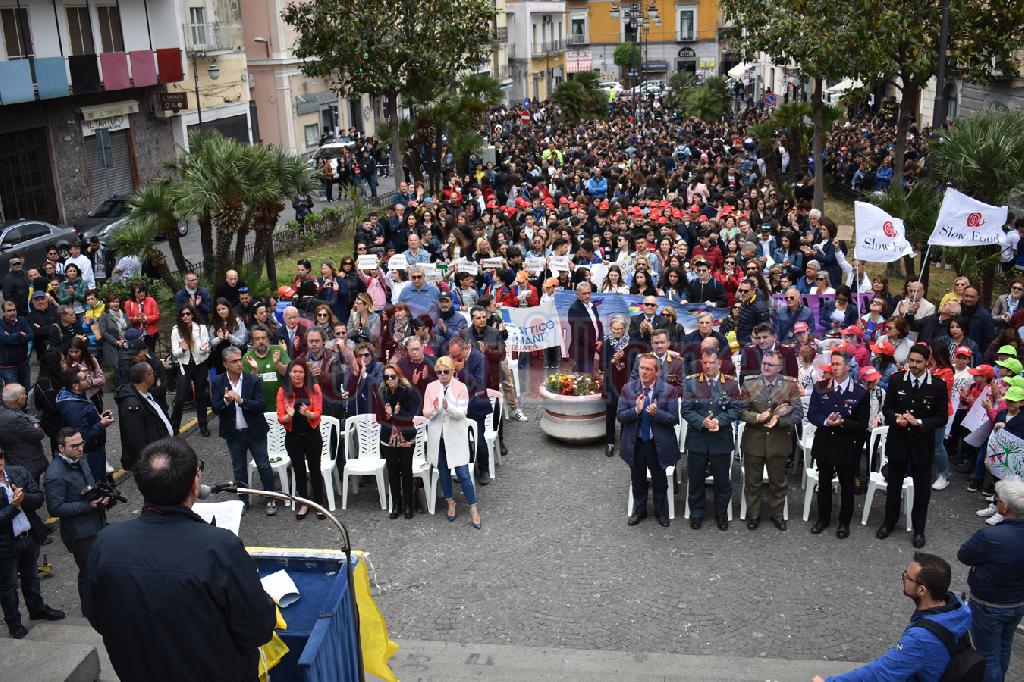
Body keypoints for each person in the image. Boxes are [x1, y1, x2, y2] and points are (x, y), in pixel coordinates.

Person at [83, 437, 277, 681]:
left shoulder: (106, 542)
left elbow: (96, 614)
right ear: (195, 484)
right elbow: (258, 628)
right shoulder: (219, 547)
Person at [814, 554, 973, 682]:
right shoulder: (956, 609)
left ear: (922, 590)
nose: (903, 577)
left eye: (907, 577)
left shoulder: (921, 639)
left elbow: (880, 674)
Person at [877, 343, 949, 548]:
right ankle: (888, 522)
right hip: (899, 441)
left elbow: (941, 417)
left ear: (928, 362)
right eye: (912, 361)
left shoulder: (937, 385)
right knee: (893, 486)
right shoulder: (897, 380)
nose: (914, 365)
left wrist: (919, 422)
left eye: (919, 362)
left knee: (922, 489)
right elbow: (887, 408)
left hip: (921, 444)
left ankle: (919, 529)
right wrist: (896, 418)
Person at [957, 476, 1024, 682]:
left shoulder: (990, 536)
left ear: (1004, 507)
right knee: (1004, 647)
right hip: (1018, 601)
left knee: (988, 656)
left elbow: (964, 555)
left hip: (989, 604)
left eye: (998, 500)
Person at [0, 444, 65, 639]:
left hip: (28, 536)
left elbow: (38, 499)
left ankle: (37, 609)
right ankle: (14, 623)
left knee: (31, 577)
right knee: (8, 586)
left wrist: (24, 497)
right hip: (5, 545)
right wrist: (13, 506)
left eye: (0, 455)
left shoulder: (17, 473)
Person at [806, 349, 869, 539]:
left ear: (848, 366)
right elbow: (812, 414)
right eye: (832, 364)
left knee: (846, 486)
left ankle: (844, 522)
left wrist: (843, 423)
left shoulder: (860, 392)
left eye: (838, 364)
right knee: (824, 484)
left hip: (847, 444)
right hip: (825, 442)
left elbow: (861, 424)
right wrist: (825, 421)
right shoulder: (821, 386)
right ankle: (823, 518)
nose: (834, 367)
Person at [43, 428, 109, 607]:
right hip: (79, 534)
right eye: (74, 446)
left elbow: (89, 485)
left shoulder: (80, 459)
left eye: (81, 444)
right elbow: (55, 508)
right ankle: (90, 608)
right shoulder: (54, 475)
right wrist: (88, 506)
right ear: (61, 448)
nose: (80, 448)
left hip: (97, 524)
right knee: (88, 572)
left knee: (100, 568)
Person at [739, 350, 803, 531]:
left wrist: (780, 421)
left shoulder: (790, 386)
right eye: (764, 363)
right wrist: (756, 417)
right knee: (753, 482)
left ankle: (777, 515)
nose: (766, 367)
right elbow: (741, 411)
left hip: (779, 440)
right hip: (754, 440)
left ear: (779, 367)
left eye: (770, 364)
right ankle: (753, 515)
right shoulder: (750, 384)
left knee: (778, 483)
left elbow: (798, 413)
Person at [211, 346, 278, 515]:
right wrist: (226, 401)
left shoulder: (252, 380)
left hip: (255, 431)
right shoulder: (218, 382)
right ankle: (243, 500)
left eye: (240, 360)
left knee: (263, 465)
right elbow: (215, 408)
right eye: (234, 361)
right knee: (239, 468)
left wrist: (241, 401)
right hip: (234, 434)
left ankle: (270, 498)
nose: (239, 363)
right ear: (225, 364)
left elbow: (261, 405)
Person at [681, 350, 741, 530]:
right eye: (705, 363)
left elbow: (736, 409)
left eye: (712, 363)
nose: (708, 366)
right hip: (698, 439)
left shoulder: (730, 384)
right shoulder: (692, 383)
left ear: (720, 363)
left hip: (720, 440)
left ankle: (721, 513)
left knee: (722, 482)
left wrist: (718, 421)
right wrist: (702, 422)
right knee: (696, 480)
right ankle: (697, 513)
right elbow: (686, 410)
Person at [618, 353, 680, 528]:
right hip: (636, 443)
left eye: (648, 369)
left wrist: (656, 414)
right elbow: (620, 416)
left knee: (660, 481)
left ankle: (661, 513)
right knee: (637, 480)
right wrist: (636, 410)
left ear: (657, 372)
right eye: (641, 368)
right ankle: (639, 511)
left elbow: (674, 419)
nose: (643, 372)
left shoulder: (669, 391)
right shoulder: (628, 389)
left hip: (657, 444)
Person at [423, 356, 481, 528]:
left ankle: (473, 507)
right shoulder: (431, 387)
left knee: (463, 473)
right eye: (439, 372)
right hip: (437, 436)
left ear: (453, 371)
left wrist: (448, 407)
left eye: (445, 372)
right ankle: (450, 501)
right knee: (443, 471)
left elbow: (463, 413)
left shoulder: (460, 387)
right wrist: (434, 409)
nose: (442, 375)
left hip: (455, 437)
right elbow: (426, 412)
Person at [276, 360, 327, 520]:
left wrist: (308, 414)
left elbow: (318, 413)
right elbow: (280, 418)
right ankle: (304, 503)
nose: (297, 375)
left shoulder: (314, 389)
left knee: (315, 470)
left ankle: (319, 503)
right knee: (298, 471)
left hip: (312, 436)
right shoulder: (283, 391)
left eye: (300, 372)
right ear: (289, 373)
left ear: (305, 374)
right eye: (294, 372)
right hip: (293, 437)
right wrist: (288, 415)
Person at [373, 363, 420, 520]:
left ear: (398, 376)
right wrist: (388, 415)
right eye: (386, 377)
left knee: (406, 471)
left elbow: (412, 414)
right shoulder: (381, 392)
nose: (390, 379)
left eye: (392, 376)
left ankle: (408, 504)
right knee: (392, 472)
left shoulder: (408, 392)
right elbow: (379, 417)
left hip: (406, 436)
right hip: (388, 437)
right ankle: (396, 504)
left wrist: (396, 414)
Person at [56, 369, 114, 482]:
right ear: (75, 386)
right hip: (90, 452)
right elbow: (83, 436)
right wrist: (101, 424)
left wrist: (99, 418)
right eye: (85, 378)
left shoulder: (77, 397)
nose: (89, 379)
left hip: (96, 448)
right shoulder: (73, 408)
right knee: (96, 483)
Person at [114, 362, 173, 472]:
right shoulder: (131, 405)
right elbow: (136, 438)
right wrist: (151, 463)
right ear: (147, 377)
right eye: (153, 373)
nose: (154, 376)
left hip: (162, 452)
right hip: (153, 461)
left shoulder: (146, 394)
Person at [169, 305, 211, 437]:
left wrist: (203, 349)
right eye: (183, 314)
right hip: (185, 366)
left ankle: (203, 425)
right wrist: (183, 349)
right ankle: (174, 428)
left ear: (192, 315)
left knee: (201, 396)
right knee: (180, 398)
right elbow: (175, 353)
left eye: (188, 314)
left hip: (200, 365)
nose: (185, 316)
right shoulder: (176, 330)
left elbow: (207, 348)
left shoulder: (201, 328)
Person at [0, 385, 48, 482]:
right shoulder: (16, 419)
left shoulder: (3, 410)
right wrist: (34, 424)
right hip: (26, 462)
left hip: (13, 459)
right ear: (18, 399)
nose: (26, 396)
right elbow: (39, 434)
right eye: (24, 394)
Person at [567, 282, 603, 373]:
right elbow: (580, 333)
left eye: (589, 293)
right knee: (584, 381)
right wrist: (595, 345)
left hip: (591, 348)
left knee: (587, 380)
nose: (587, 296)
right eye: (584, 293)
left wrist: (601, 339)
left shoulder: (592, 306)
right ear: (577, 294)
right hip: (581, 351)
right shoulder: (574, 309)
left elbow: (598, 324)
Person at [0, 300, 33, 388]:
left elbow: (31, 335)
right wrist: (19, 334)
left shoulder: (22, 320)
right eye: (9, 311)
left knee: (26, 392)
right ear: (3, 312)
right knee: (13, 395)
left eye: (14, 310)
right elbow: (5, 340)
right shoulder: (0, 324)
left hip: (23, 363)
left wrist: (12, 338)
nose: (13, 312)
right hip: (8, 367)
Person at [124, 284, 160, 353]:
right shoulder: (128, 303)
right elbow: (127, 318)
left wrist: (146, 318)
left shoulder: (151, 300)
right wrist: (135, 319)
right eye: (139, 292)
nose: (142, 293)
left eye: (143, 291)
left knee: (150, 353)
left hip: (150, 333)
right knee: (138, 354)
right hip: (136, 333)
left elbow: (157, 315)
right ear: (134, 293)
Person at [735, 278, 770, 346]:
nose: (742, 293)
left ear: (753, 291)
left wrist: (754, 342)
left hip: (752, 343)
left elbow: (764, 328)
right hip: (742, 340)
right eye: (740, 290)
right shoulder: (745, 300)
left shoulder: (760, 307)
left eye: (745, 291)